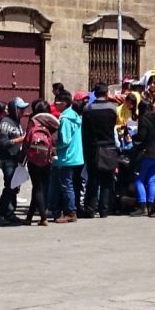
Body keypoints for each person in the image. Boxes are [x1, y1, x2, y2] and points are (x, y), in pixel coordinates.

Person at [81, 85, 119, 219]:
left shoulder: (88, 109)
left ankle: (90, 209)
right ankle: (104, 210)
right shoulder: (113, 109)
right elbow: (114, 127)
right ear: (107, 93)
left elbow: (84, 131)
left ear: (95, 94)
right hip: (109, 147)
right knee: (107, 180)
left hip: (92, 148)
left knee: (92, 180)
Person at [0, 98, 27, 225]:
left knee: (15, 186)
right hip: (7, 160)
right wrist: (20, 139)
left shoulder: (17, 122)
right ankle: (0, 213)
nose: (23, 111)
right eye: (20, 109)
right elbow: (2, 142)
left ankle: (10, 212)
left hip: (16, 159)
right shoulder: (5, 123)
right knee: (10, 186)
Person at [51, 91, 84, 223]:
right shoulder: (74, 115)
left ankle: (70, 211)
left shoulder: (65, 119)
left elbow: (64, 140)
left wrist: (54, 147)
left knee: (66, 185)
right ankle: (69, 209)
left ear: (64, 103)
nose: (55, 104)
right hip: (75, 156)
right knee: (70, 184)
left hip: (66, 157)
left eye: (57, 102)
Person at [25, 100, 58, 226]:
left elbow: (27, 139)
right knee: (41, 186)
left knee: (37, 187)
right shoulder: (53, 122)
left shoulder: (33, 121)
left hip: (33, 159)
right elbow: (55, 140)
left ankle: (43, 217)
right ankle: (29, 217)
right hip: (47, 158)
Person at [131, 100, 155, 217]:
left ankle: (142, 205)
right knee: (151, 179)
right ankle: (151, 206)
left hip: (147, 152)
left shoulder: (144, 119)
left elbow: (142, 136)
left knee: (139, 179)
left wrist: (133, 135)